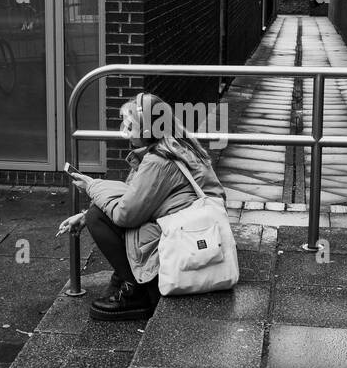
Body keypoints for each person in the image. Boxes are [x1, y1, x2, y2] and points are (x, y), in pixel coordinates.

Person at [58, 93, 227, 321]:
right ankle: (125, 277)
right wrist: (85, 214)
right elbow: (135, 197)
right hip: (194, 228)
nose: (126, 130)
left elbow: (126, 215)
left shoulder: (158, 160)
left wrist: (91, 187)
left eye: (130, 124)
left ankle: (135, 293)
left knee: (100, 217)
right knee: (95, 214)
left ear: (147, 128)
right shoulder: (173, 145)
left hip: (183, 240)